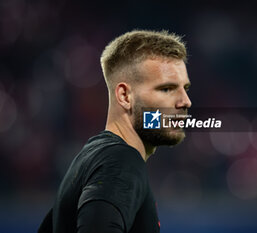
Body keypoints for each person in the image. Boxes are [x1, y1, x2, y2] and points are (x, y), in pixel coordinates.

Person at [38, 30, 192, 233]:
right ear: (125, 96)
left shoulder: (91, 158)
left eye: (185, 89)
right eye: (166, 89)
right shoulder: (121, 161)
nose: (185, 102)